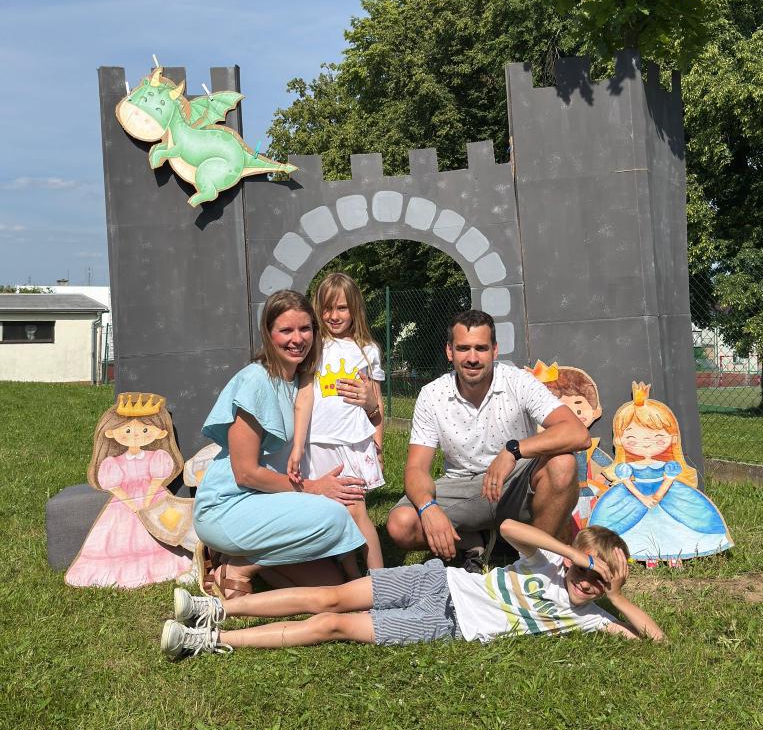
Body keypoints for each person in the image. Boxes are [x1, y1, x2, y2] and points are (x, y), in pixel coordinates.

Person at [160, 520, 665, 659]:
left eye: (599, 581)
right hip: (436, 578)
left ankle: (208, 639)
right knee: (330, 596)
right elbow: (511, 527)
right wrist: (575, 554)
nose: (587, 582)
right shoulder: (548, 565)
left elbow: (655, 641)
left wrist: (614, 594)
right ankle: (217, 608)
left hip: (447, 624)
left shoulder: (589, 616)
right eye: (587, 571)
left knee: (334, 625)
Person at [192, 290, 367, 596]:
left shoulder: (301, 381)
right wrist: (314, 488)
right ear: (268, 333)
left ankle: (233, 561)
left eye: (305, 329)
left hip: (270, 502)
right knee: (333, 516)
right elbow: (245, 473)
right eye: (286, 330)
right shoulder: (255, 381)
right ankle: (240, 567)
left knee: (331, 583)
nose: (297, 339)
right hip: (228, 505)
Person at [386, 310, 591, 569]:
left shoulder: (518, 381)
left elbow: (578, 433)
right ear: (450, 351)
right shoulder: (432, 395)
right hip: (461, 485)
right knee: (401, 524)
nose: (472, 358)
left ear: (494, 350)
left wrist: (513, 451)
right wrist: (428, 508)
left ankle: (534, 562)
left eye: (481, 348)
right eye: (463, 348)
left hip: (515, 483)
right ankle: (473, 538)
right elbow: (416, 468)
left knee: (563, 464)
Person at [288, 272, 386, 569]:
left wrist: (378, 444)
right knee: (331, 513)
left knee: (356, 511)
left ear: (354, 308)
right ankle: (353, 576)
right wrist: (298, 446)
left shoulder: (368, 349)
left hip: (352, 443)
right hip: (317, 442)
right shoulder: (313, 346)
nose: (333, 316)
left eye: (341, 308)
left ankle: (381, 581)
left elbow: (376, 401)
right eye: (327, 308)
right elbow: (304, 395)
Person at [590, 382, 733, 564]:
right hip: (635, 496)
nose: (646, 442)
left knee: (679, 521)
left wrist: (656, 497)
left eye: (657, 437)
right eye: (632, 437)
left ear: (672, 437)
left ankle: (674, 552)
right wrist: (644, 499)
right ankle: (643, 552)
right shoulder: (626, 468)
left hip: (668, 495)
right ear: (619, 439)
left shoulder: (669, 466)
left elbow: (668, 481)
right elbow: (627, 483)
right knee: (630, 523)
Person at [66, 393, 192, 588]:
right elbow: (114, 487)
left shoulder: (157, 457)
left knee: (160, 530)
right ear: (111, 432)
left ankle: (160, 566)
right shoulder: (112, 463)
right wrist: (132, 505)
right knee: (119, 537)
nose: (135, 435)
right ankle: (119, 571)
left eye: (145, 430)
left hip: (154, 499)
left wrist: (148, 499)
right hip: (123, 506)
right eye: (126, 430)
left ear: (160, 433)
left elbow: (157, 480)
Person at [532, 361, 613, 528]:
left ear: (596, 410)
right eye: (563, 407)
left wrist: (601, 480)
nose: (574, 412)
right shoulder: (544, 447)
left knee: (585, 525)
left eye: (578, 404)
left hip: (585, 495)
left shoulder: (588, 448)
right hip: (555, 498)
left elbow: (609, 467)